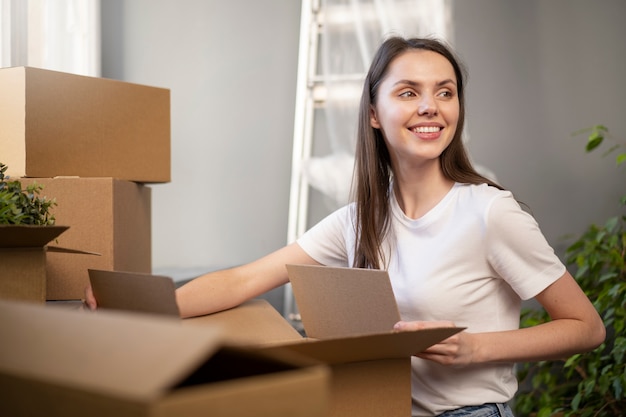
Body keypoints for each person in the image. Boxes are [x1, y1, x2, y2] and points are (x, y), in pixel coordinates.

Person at [86, 36, 605, 416]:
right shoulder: (359, 222)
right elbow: (244, 280)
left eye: (445, 92)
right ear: (374, 113)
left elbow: (586, 327)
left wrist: (476, 348)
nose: (430, 106)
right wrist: (134, 307)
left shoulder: (490, 212)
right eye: (408, 92)